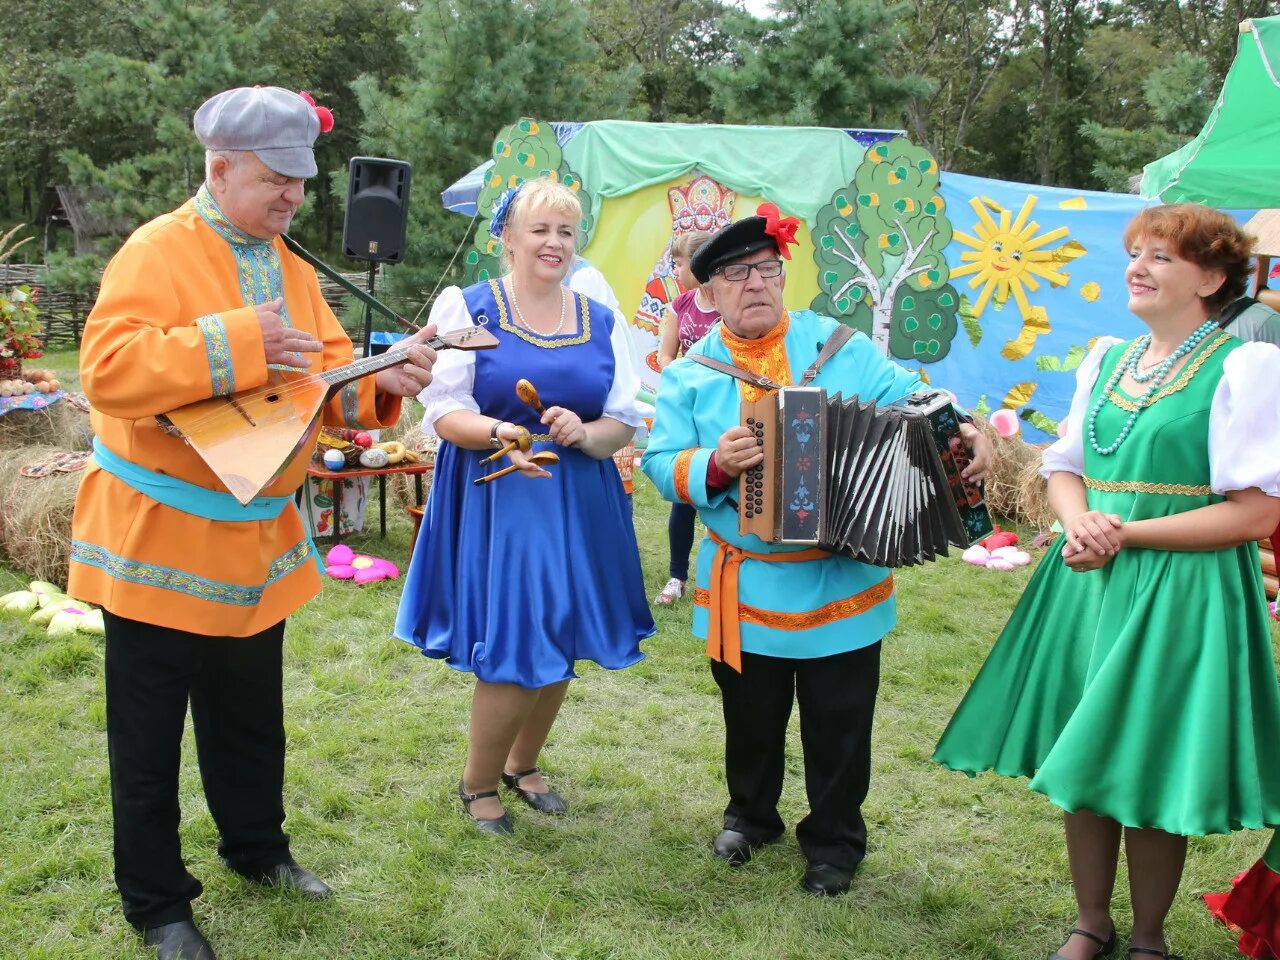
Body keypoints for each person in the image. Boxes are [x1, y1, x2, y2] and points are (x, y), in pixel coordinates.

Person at [68, 86, 437, 960]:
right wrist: (237, 342)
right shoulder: (155, 251)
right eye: (274, 181)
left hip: (254, 542)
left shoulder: (296, 267)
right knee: (149, 738)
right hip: (156, 541)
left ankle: (258, 850)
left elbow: (331, 372)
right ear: (219, 166)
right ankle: (158, 904)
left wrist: (390, 378)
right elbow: (106, 371)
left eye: (301, 186)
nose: (290, 200)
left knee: (249, 718)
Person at [932, 203, 1280, 960]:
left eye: (1163, 256)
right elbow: (1064, 467)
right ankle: (1091, 922)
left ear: (1212, 278)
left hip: (1180, 591)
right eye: (1137, 252)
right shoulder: (1109, 360)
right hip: (1087, 582)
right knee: (1085, 752)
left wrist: (1121, 532)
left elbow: (1256, 513)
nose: (1140, 265)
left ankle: (1150, 939)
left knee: (1147, 757)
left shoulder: (1245, 367)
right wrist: (1079, 519)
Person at [640, 203, 992, 896]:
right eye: (736, 275)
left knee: (840, 722)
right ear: (706, 294)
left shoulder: (839, 346)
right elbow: (660, 464)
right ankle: (750, 816)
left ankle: (834, 842)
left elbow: (915, 398)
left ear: (782, 277)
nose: (756, 284)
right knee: (750, 717)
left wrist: (966, 424)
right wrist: (713, 463)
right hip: (743, 586)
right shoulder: (690, 374)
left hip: (842, 579)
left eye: (766, 269)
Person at [394, 177, 654, 835]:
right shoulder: (470, 309)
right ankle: (478, 783)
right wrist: (500, 432)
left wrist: (586, 434)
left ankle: (522, 763)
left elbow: (622, 418)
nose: (554, 242)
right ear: (506, 239)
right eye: (539, 229)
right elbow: (446, 413)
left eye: (565, 231)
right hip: (502, 493)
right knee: (521, 632)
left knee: (563, 626)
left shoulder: (600, 316)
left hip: (581, 495)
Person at [652, 229, 719, 606]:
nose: (674, 270)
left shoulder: (730, 305)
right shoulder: (680, 307)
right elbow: (665, 356)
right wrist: (686, 375)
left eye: (678, 263)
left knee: (726, 495)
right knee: (685, 495)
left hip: (727, 412)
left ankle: (722, 575)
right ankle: (677, 577)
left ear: (698, 263)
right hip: (689, 412)